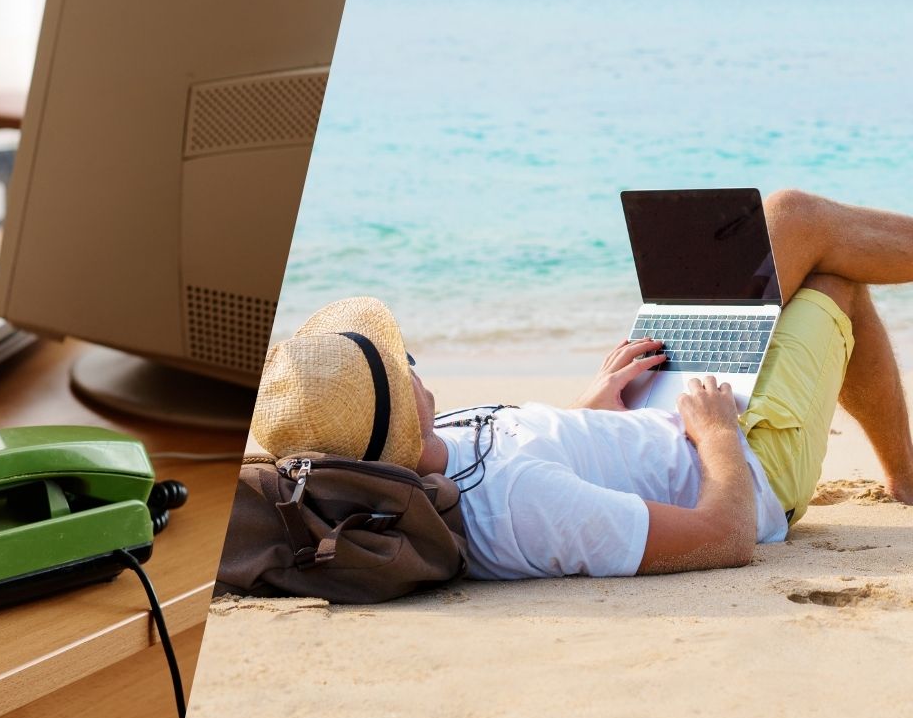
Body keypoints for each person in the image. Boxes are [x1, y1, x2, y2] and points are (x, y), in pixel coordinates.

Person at [249, 189, 913, 579]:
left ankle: (905, 479)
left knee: (779, 229)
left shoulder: (433, 456)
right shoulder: (523, 505)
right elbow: (727, 536)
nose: (418, 368)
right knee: (819, 257)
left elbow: (528, 452)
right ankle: (906, 478)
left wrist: (593, 404)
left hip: (659, 415)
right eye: (406, 365)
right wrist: (715, 434)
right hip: (750, 463)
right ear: (403, 416)